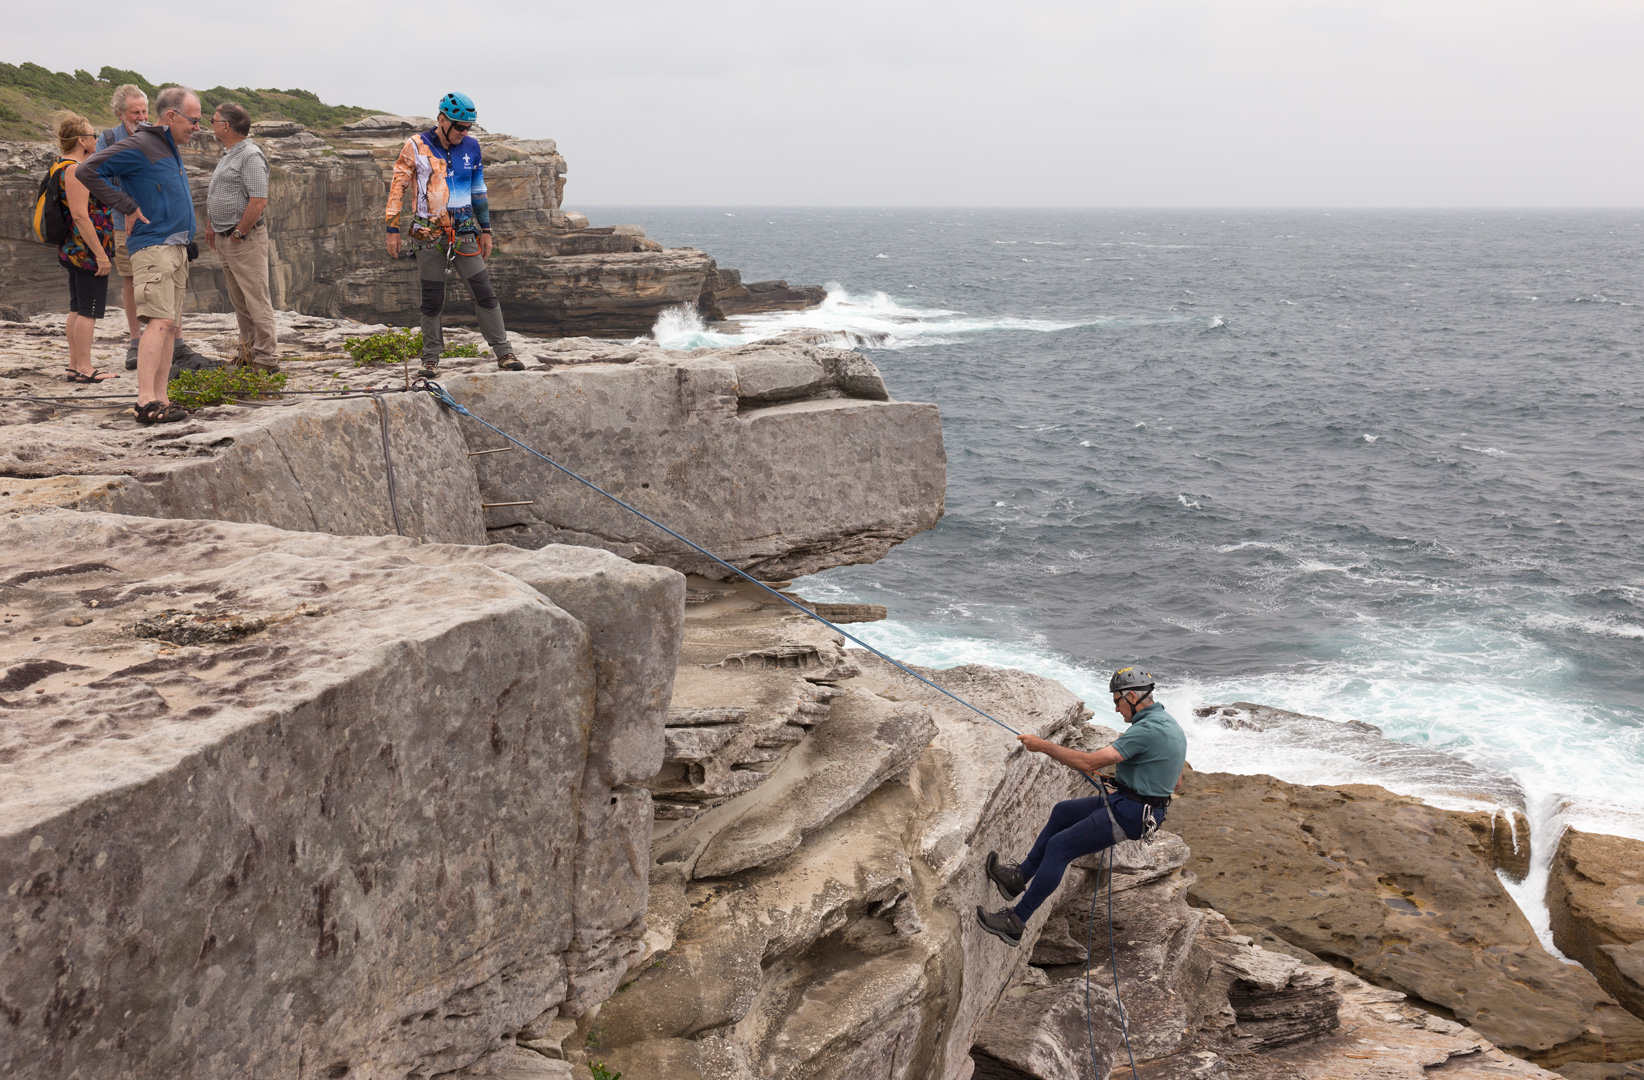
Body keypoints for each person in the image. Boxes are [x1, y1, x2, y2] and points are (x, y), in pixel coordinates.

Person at [975, 667, 1188, 947]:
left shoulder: (1146, 731)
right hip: (1134, 805)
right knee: (1063, 812)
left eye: (1117, 701)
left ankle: (1016, 921)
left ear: (1133, 696)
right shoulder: (1168, 724)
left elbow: (1089, 762)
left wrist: (1042, 746)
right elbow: (1177, 784)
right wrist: (1133, 777)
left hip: (1131, 812)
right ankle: (1018, 877)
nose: (1116, 709)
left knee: (1060, 847)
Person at [81, 85, 203, 425]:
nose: (197, 128)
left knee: (169, 324)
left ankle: (162, 398)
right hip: (154, 247)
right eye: (193, 121)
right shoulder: (140, 144)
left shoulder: (167, 145)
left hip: (175, 247)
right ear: (171, 117)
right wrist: (127, 205)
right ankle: (145, 400)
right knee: (159, 323)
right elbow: (87, 171)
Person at [385, 91, 522, 378]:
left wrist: (486, 230)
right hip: (428, 234)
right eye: (459, 126)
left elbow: (478, 191)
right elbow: (397, 188)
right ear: (442, 120)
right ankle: (431, 359)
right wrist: (392, 229)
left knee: (484, 291)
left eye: (468, 127)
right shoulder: (415, 146)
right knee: (432, 299)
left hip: (464, 233)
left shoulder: (472, 147)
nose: (464, 132)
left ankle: (504, 352)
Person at [204, 101, 277, 371]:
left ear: (226, 125)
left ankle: (267, 359)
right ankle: (247, 353)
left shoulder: (250, 155)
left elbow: (258, 201)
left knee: (256, 298)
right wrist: (213, 224)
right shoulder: (229, 153)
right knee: (240, 300)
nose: (210, 125)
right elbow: (222, 193)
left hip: (244, 240)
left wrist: (238, 233)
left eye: (213, 120)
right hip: (226, 238)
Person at [52, 113, 119, 384]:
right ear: (81, 140)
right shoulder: (76, 170)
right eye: (93, 135)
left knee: (77, 308)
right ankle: (85, 368)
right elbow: (80, 215)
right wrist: (100, 255)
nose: (96, 139)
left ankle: (74, 365)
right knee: (88, 310)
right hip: (85, 251)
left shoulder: (60, 165)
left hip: (71, 247)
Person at [94, 84, 145, 370]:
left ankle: (174, 342)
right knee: (130, 280)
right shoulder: (109, 138)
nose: (141, 117)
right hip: (123, 224)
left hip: (158, 223)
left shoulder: (156, 135)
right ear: (119, 113)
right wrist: (127, 204)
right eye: (135, 112)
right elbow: (96, 178)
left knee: (167, 278)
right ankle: (136, 342)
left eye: (144, 111)